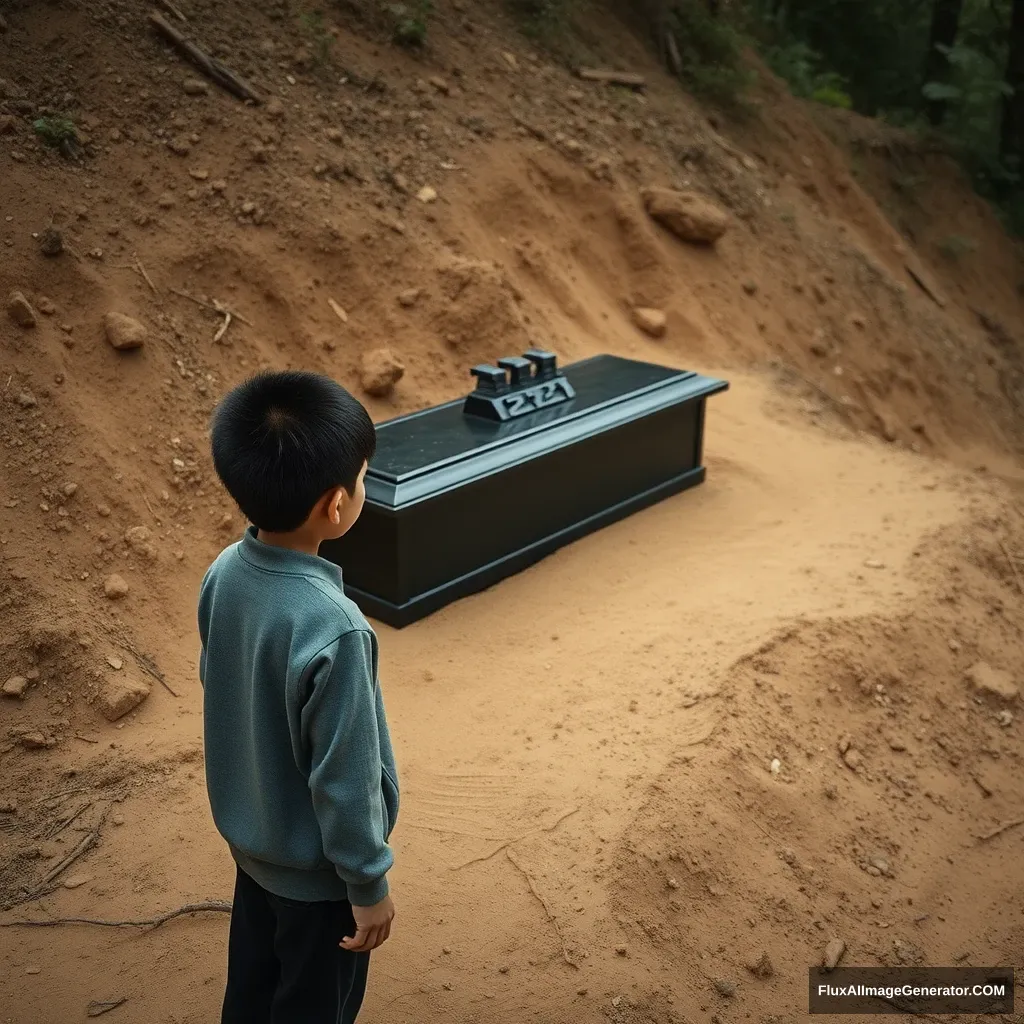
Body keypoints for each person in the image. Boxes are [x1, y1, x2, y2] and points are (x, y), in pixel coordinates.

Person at [197, 369, 399, 1024]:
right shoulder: (334, 626)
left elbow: (219, 682)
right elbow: (344, 778)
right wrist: (366, 886)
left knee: (252, 993)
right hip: (320, 884)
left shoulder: (225, 571)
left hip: (253, 848)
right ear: (335, 506)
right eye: (364, 478)